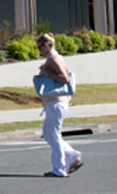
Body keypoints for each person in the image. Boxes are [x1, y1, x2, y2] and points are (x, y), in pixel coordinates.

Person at [36, 33, 83, 177]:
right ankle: (73, 156)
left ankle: (59, 169)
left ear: (46, 46)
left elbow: (65, 78)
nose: (39, 51)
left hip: (57, 102)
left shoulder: (54, 58)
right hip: (54, 102)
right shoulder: (53, 58)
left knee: (54, 136)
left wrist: (47, 71)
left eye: (40, 48)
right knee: (49, 135)